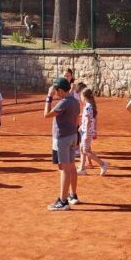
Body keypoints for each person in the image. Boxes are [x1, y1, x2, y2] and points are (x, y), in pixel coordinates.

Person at [44, 76, 81, 210]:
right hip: (72, 136)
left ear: (60, 90)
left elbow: (46, 114)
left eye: (56, 90)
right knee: (71, 167)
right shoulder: (75, 101)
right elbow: (77, 120)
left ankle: (63, 201)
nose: (55, 92)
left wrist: (49, 97)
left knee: (64, 169)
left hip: (62, 138)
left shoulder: (64, 102)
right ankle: (73, 195)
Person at [78, 87, 108, 176]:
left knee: (86, 151)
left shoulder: (88, 107)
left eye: (81, 96)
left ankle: (103, 164)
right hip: (86, 131)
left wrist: (86, 132)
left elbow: (88, 121)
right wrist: (81, 127)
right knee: (82, 149)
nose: (80, 98)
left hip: (87, 132)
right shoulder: (89, 106)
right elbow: (88, 120)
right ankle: (82, 168)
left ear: (84, 97)